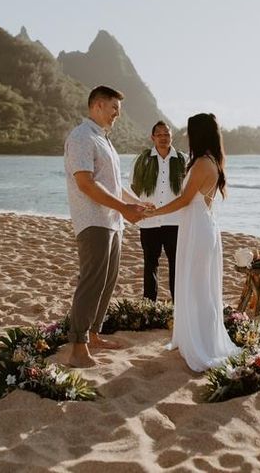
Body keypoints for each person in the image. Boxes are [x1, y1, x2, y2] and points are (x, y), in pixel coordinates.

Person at [140, 113, 241, 372]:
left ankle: (203, 344)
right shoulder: (210, 161)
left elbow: (184, 200)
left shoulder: (201, 164)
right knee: (197, 285)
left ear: (199, 133)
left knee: (198, 287)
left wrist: (155, 212)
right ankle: (194, 339)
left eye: (189, 131)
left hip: (197, 228)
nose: (185, 136)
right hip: (199, 225)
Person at [64, 85, 149, 368]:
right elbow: (85, 182)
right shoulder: (81, 136)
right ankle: (78, 348)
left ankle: (93, 335)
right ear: (98, 105)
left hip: (112, 222)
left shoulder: (104, 140)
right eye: (114, 109)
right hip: (93, 221)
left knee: (107, 281)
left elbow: (115, 185)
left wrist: (137, 203)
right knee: (91, 282)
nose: (116, 115)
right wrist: (124, 209)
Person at [131, 121, 186, 301]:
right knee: (150, 265)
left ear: (172, 136)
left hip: (175, 221)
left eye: (167, 134)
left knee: (176, 265)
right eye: (159, 134)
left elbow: (188, 191)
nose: (163, 138)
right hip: (149, 221)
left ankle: (177, 306)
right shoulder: (142, 160)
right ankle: (149, 305)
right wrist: (142, 204)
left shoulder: (183, 160)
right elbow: (133, 186)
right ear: (152, 137)